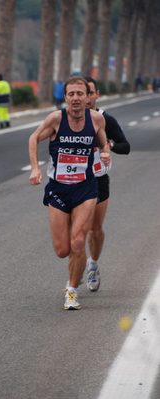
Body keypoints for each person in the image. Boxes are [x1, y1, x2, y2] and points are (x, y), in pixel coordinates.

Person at [29, 76, 110, 310]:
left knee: (77, 241)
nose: (76, 98)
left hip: (86, 188)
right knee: (63, 250)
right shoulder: (56, 119)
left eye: (80, 94)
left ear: (88, 98)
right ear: (65, 98)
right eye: (71, 94)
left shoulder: (96, 119)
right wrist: (35, 167)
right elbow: (33, 138)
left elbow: (104, 144)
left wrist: (105, 153)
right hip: (58, 189)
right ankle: (75, 272)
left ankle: (72, 291)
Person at [83, 76, 130, 291]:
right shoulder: (64, 120)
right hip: (71, 181)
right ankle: (74, 278)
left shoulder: (105, 119)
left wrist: (107, 143)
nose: (85, 97)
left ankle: (92, 265)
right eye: (81, 92)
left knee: (95, 230)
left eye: (90, 92)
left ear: (96, 94)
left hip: (98, 179)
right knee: (75, 234)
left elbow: (125, 146)